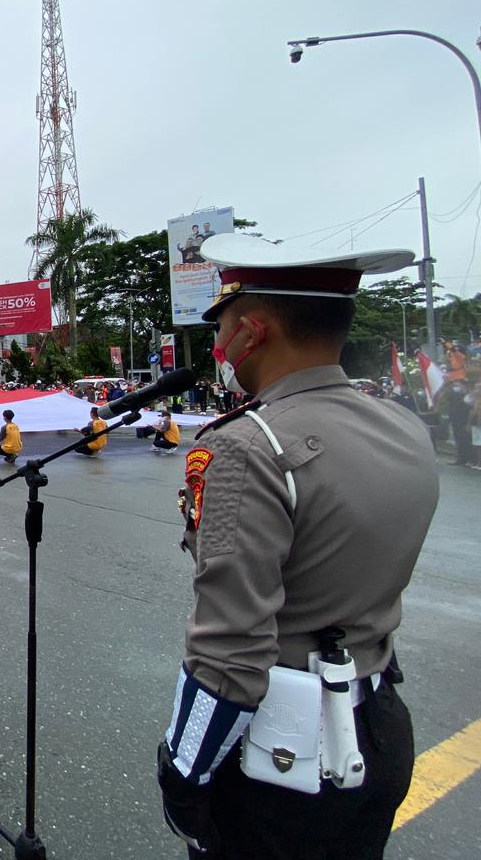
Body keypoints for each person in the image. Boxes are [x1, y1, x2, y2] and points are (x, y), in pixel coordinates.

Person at [156, 234, 439, 860]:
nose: (218, 344)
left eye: (222, 324)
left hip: (285, 761)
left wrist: (183, 772)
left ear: (253, 332)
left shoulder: (249, 447)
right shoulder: (403, 425)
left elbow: (231, 651)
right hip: (381, 730)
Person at [444, 380, 476, 467]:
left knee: (467, 440)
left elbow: (471, 409)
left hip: (464, 420)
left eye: (458, 385)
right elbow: (444, 398)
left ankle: (470, 459)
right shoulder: (453, 395)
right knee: (459, 441)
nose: (456, 387)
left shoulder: (468, 396)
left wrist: (468, 423)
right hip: (455, 420)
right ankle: (461, 458)